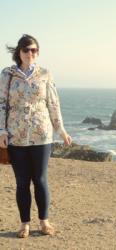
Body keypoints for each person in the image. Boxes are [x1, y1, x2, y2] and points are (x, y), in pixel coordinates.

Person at [0, 34, 72, 238]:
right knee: (22, 182)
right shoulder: (7, 74)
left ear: (37, 52)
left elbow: (53, 103)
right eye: (26, 50)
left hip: (42, 135)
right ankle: (24, 224)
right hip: (16, 136)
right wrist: (2, 131)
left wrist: (61, 130)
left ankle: (44, 221)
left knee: (40, 179)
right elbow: (1, 104)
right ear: (19, 52)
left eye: (34, 50)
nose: (30, 53)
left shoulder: (45, 74)